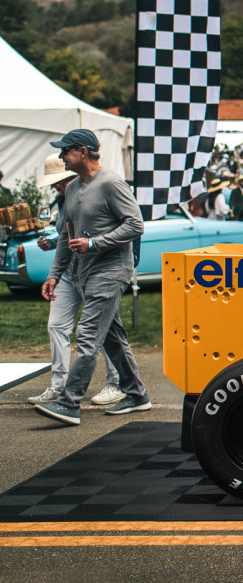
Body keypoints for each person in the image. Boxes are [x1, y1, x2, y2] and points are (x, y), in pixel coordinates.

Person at [34, 129, 151, 425]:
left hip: (111, 272)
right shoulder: (72, 189)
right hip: (85, 274)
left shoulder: (111, 182)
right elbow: (65, 237)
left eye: (66, 151)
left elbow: (136, 225)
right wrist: (54, 275)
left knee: (87, 335)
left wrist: (96, 243)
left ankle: (69, 402)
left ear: (83, 151)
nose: (62, 156)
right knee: (112, 337)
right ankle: (137, 395)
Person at [26, 155, 124, 406]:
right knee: (57, 326)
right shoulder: (64, 199)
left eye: (59, 181)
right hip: (71, 274)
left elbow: (130, 226)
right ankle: (59, 385)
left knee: (102, 332)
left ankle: (116, 384)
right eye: (54, 183)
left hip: (99, 273)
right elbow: (66, 237)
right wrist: (53, 273)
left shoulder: (105, 187)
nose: (56, 186)